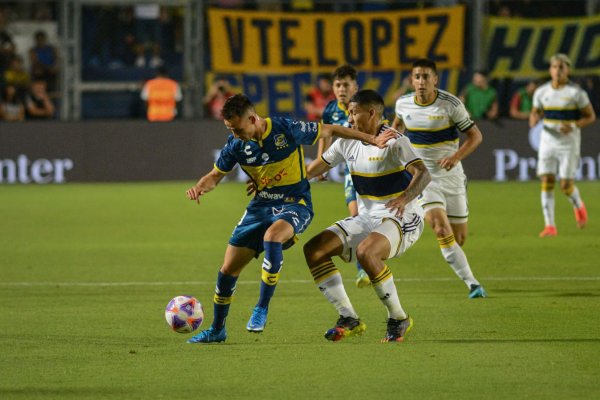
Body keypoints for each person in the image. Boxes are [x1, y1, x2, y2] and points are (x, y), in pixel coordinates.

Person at [185, 93, 394, 344]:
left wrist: (371, 139)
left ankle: (261, 308)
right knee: (227, 270)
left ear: (252, 118)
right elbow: (214, 175)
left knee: (272, 237)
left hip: (295, 203)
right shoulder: (236, 145)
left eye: (237, 128)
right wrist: (201, 186)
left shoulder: (286, 128)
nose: (235, 133)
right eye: (230, 129)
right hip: (260, 206)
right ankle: (217, 330)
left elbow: (330, 130)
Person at [303, 89, 431, 342]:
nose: (349, 119)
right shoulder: (347, 141)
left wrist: (405, 198)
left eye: (353, 113)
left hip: (403, 215)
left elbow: (424, 174)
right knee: (314, 250)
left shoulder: (394, 141)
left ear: (372, 113)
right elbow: (311, 171)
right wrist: (274, 183)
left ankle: (398, 318)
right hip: (368, 216)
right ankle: (348, 317)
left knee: (367, 252)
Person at [393, 58, 487, 298]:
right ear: (411, 81)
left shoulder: (450, 104)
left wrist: (456, 157)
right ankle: (473, 284)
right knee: (439, 227)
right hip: (423, 178)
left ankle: (463, 269)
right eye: (417, 77)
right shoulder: (403, 104)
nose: (421, 81)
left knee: (459, 238)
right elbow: (396, 132)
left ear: (435, 79)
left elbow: (475, 136)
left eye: (426, 76)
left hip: (451, 175)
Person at [529, 53, 596, 237]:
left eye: (562, 67)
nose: (558, 70)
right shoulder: (541, 92)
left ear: (568, 70)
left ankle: (578, 204)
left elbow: (590, 116)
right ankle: (550, 226)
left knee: (566, 185)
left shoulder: (576, 93)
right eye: (555, 67)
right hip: (547, 141)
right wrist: (533, 119)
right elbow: (535, 112)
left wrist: (574, 125)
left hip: (569, 142)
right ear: (550, 69)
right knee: (547, 180)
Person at [318, 64, 371, 288]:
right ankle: (364, 268)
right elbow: (324, 134)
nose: (341, 89)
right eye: (338, 85)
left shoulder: (366, 106)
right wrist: (321, 163)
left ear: (355, 86)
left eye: (346, 85)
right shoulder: (330, 109)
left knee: (369, 217)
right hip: (352, 172)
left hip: (371, 168)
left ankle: (371, 257)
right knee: (357, 215)